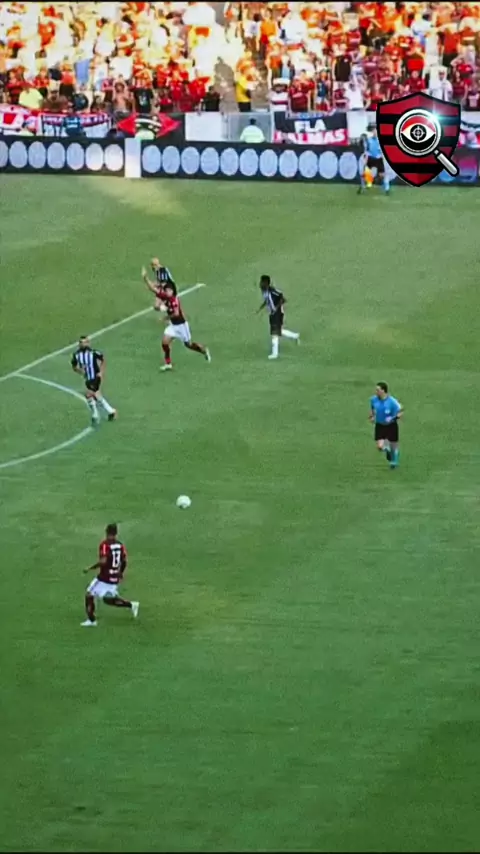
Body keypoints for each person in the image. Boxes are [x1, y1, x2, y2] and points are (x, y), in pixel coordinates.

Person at [142, 268, 211, 371]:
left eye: (169, 290)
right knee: (165, 343)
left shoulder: (174, 300)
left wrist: (164, 318)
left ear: (172, 291)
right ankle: (168, 363)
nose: (167, 292)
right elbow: (152, 288)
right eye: (166, 290)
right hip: (173, 326)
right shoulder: (165, 297)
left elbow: (176, 314)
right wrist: (145, 278)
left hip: (181, 325)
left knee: (189, 345)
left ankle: (204, 350)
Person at [82, 523, 139, 627]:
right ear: (116, 533)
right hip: (114, 578)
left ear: (106, 532)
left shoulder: (105, 545)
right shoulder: (120, 545)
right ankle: (132, 605)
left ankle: (91, 621)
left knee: (89, 594)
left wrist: (90, 568)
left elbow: (103, 561)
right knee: (108, 600)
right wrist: (120, 572)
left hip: (104, 577)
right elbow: (124, 561)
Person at [71, 336, 117, 426]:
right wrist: (80, 371)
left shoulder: (93, 352)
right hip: (87, 379)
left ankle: (95, 415)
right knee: (97, 396)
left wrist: (101, 372)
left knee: (88, 395)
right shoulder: (76, 355)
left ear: (88, 343)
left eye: (85, 342)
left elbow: (103, 360)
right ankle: (111, 411)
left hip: (95, 377)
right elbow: (74, 366)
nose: (83, 344)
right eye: (81, 342)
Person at [257, 275, 300, 361]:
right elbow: (267, 300)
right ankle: (295, 336)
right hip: (272, 314)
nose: (260, 283)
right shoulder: (264, 291)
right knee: (278, 331)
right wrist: (261, 308)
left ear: (266, 283)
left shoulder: (273, 291)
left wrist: (276, 309)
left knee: (274, 334)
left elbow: (283, 299)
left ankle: (275, 354)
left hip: (277, 313)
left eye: (262, 282)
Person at [369, 382, 403, 470]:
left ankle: (394, 461)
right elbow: (372, 408)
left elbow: (400, 412)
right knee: (380, 447)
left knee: (393, 446)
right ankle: (387, 450)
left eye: (378, 390)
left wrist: (393, 418)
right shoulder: (373, 399)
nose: (376, 392)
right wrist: (372, 416)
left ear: (383, 391)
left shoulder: (392, 401)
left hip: (391, 426)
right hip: (380, 425)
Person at [358, 127, 390, 195]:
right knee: (365, 174)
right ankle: (362, 186)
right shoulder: (369, 140)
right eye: (374, 131)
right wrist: (366, 159)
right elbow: (366, 151)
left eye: (376, 132)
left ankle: (387, 189)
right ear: (372, 132)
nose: (375, 133)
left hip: (378, 159)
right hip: (370, 158)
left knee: (382, 175)